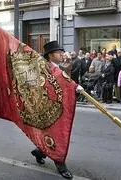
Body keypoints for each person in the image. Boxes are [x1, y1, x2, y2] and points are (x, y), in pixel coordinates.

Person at [31, 41, 81, 179]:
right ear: (51, 55)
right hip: (48, 108)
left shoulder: (58, 67)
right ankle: (60, 164)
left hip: (58, 107)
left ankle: (39, 152)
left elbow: (64, 84)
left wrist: (74, 88)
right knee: (58, 135)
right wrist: (73, 87)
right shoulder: (45, 68)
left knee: (55, 134)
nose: (61, 54)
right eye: (59, 52)